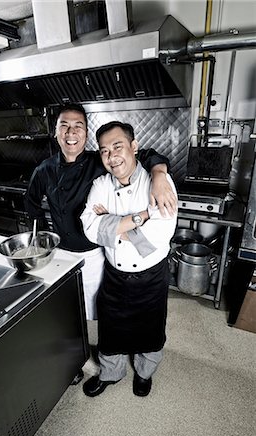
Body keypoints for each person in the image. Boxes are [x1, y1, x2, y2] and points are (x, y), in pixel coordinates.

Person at [24, 103, 177, 321]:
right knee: (66, 308)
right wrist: (43, 238)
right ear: (55, 132)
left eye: (78, 126)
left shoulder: (100, 160)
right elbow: (31, 204)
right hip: (60, 252)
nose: (71, 133)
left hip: (94, 253)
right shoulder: (44, 169)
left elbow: (146, 154)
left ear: (86, 133)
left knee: (96, 309)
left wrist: (160, 173)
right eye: (64, 126)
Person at [80, 121, 178, 397]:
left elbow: (156, 237)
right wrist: (141, 217)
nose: (112, 157)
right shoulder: (100, 185)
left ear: (134, 147)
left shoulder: (158, 182)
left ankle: (145, 374)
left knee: (151, 328)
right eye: (104, 151)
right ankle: (111, 373)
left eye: (118, 147)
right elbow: (90, 229)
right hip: (115, 274)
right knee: (111, 327)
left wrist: (110, 223)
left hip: (151, 275)